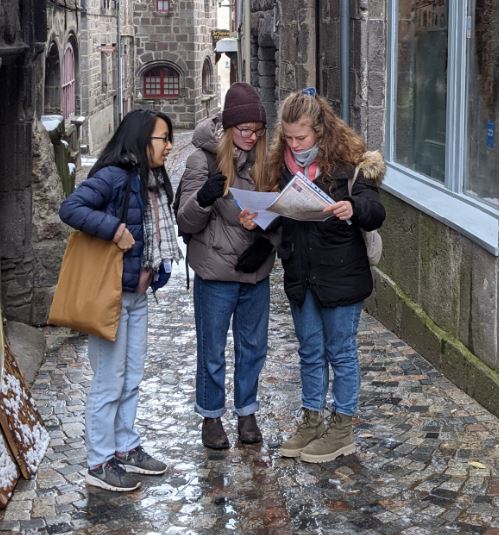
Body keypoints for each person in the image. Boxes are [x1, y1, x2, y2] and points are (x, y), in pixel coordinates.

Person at [242, 88, 386, 463]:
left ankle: (342, 428)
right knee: (309, 352)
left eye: (301, 138)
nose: (295, 144)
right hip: (301, 275)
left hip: (342, 273)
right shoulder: (279, 166)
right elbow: (278, 220)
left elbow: (375, 211)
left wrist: (351, 206)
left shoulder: (350, 163)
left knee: (341, 352)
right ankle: (311, 420)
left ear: (320, 131)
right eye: (288, 138)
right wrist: (258, 219)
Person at [59, 109, 182, 491]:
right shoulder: (115, 177)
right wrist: (114, 229)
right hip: (112, 296)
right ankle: (99, 461)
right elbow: (71, 208)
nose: (169, 146)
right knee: (108, 382)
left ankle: (125, 446)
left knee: (130, 378)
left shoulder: (153, 182)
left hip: (137, 298)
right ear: (142, 140)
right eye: (163, 138)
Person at [176, 82, 277, 450]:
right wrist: (205, 198)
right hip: (216, 271)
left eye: (258, 131)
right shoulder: (201, 160)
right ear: (229, 127)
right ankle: (212, 415)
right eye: (245, 130)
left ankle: (247, 411)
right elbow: (186, 221)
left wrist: (269, 233)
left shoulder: (267, 160)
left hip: (255, 270)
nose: (251, 137)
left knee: (253, 347)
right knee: (213, 347)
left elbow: (280, 212)